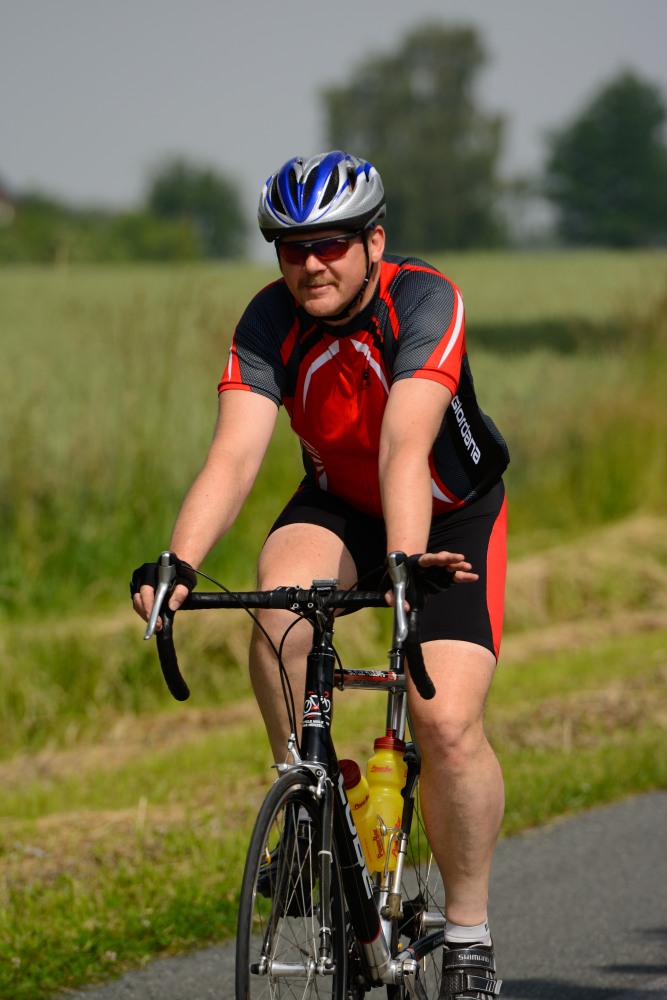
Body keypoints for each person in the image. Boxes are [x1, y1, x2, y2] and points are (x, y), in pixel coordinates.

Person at [132, 150, 509, 999]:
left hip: (448, 514)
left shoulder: (425, 300)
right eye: (291, 248)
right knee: (277, 615)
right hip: (339, 501)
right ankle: (308, 809)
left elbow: (404, 444)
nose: (310, 265)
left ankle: (468, 934)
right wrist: (179, 562)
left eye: (331, 244)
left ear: (373, 241)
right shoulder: (270, 319)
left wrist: (405, 564)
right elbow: (234, 456)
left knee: (444, 720)